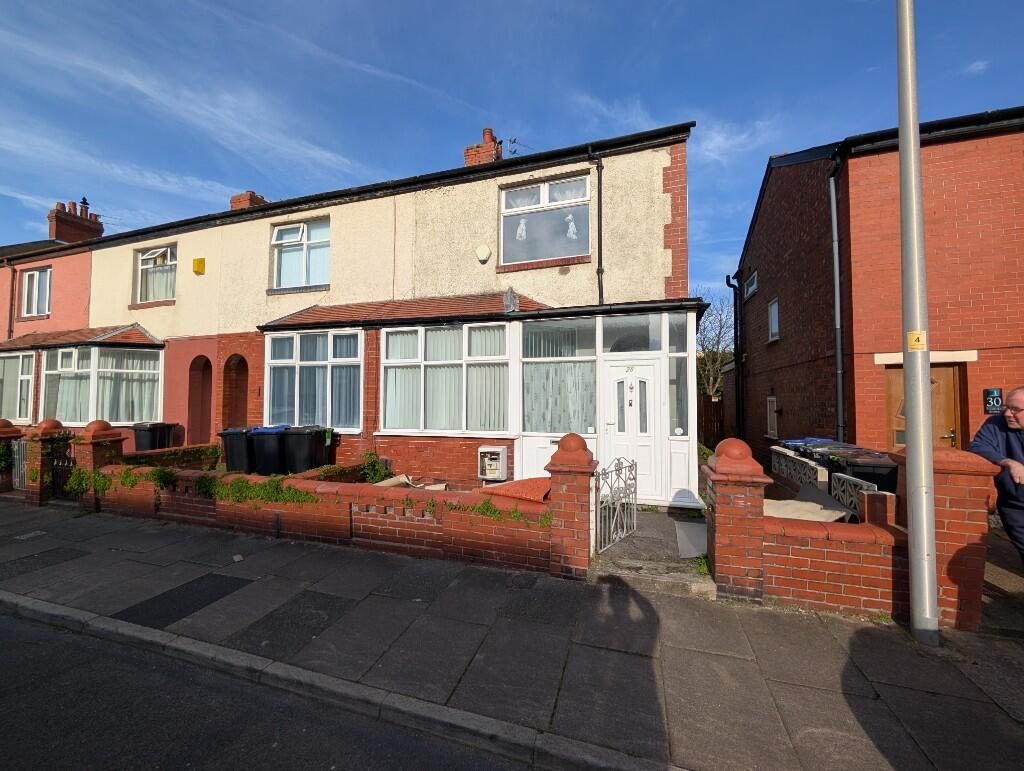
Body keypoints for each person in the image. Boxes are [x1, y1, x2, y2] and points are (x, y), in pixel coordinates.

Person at [967, 386, 1024, 566]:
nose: (1008, 413)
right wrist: (1008, 462)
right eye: (1006, 407)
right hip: (1014, 504)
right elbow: (977, 446)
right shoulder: (995, 423)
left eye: (1015, 409)